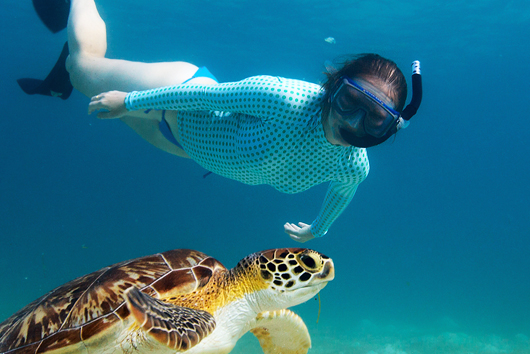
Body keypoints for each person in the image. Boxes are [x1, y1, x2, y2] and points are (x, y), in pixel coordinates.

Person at [19, 0, 422, 242]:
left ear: (389, 129)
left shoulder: (353, 165)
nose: (351, 121)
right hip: (181, 92)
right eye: (350, 100)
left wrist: (318, 229)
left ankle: (64, 82)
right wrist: (131, 101)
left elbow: (342, 193)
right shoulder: (285, 97)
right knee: (84, 69)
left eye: (374, 119)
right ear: (333, 86)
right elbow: (208, 95)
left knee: (93, 96)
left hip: (183, 147)